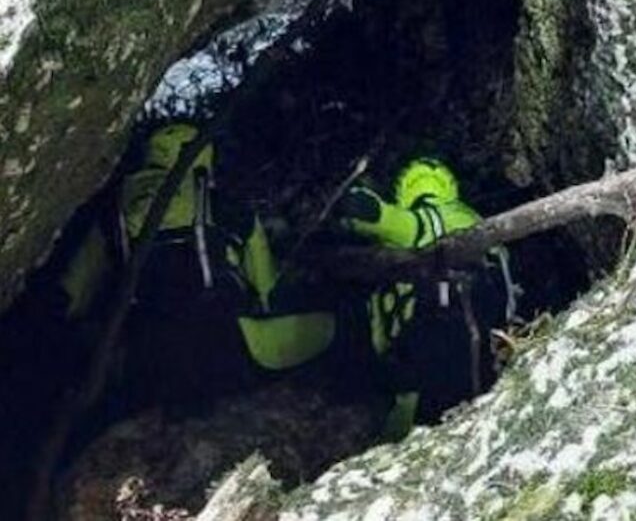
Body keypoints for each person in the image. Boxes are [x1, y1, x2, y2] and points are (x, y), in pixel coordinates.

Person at [59, 122, 338, 409]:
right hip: (225, 342)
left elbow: (74, 290)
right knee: (333, 327)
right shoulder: (225, 206)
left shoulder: (113, 210)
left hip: (145, 354)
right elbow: (267, 289)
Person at [338, 157, 516, 438]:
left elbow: (381, 218)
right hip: (471, 346)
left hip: (443, 345)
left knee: (423, 432)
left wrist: (352, 201)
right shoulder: (476, 220)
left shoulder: (439, 218)